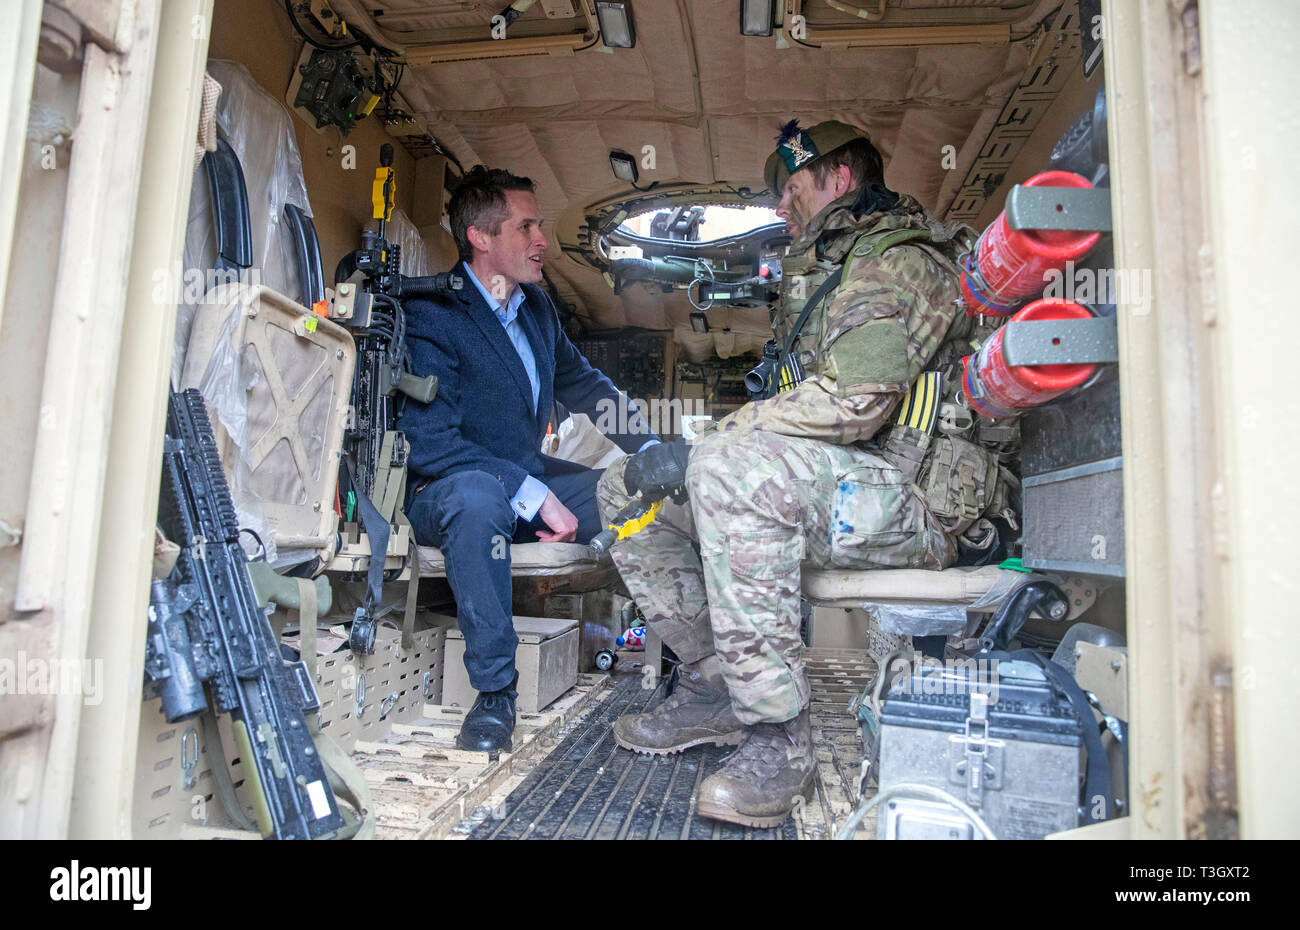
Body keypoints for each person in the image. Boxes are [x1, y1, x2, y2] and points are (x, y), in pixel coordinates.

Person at [597, 120, 1004, 828]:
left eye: (792, 189)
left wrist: (710, 444)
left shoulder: (899, 261)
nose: (782, 208)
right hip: (842, 487)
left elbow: (855, 402)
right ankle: (714, 683)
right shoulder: (824, 278)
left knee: (728, 467)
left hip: (913, 498)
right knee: (626, 487)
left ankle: (779, 739)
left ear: (840, 179)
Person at [399, 165, 658, 753]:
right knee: (478, 495)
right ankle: (495, 696)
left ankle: (682, 659)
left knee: (639, 494)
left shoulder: (537, 311)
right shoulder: (433, 316)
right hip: (450, 491)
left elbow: (589, 388)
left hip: (525, 485)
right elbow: (430, 441)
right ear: (481, 238)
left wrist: (651, 450)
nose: (543, 240)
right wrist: (531, 492)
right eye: (527, 227)